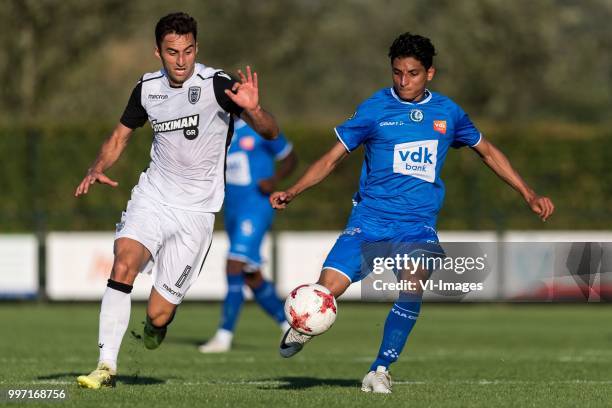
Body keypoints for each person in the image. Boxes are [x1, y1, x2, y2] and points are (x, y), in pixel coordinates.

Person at [270, 32, 554, 394]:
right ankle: (305, 322)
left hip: (416, 227)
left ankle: (380, 369)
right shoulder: (374, 109)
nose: (404, 81)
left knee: (412, 286)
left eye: (413, 73)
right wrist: (293, 190)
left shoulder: (448, 113)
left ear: (430, 74)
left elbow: (489, 152)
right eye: (397, 73)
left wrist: (527, 192)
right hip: (368, 222)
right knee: (325, 291)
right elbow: (331, 158)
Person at [74, 12, 279, 389]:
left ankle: (156, 328)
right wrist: (95, 166)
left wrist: (253, 108)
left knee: (158, 314)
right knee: (123, 264)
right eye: (172, 52)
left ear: (196, 49)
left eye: (187, 51)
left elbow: (270, 131)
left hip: (197, 213)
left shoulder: (218, 84)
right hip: (153, 197)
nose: (180, 60)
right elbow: (120, 137)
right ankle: (106, 366)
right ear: (158, 52)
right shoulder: (146, 89)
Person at [198, 118, 297, 353]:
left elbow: (290, 158)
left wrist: (274, 180)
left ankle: (224, 336)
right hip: (232, 210)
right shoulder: (217, 130)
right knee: (251, 274)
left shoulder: (260, 128)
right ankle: (290, 326)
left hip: (255, 209)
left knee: (234, 265)